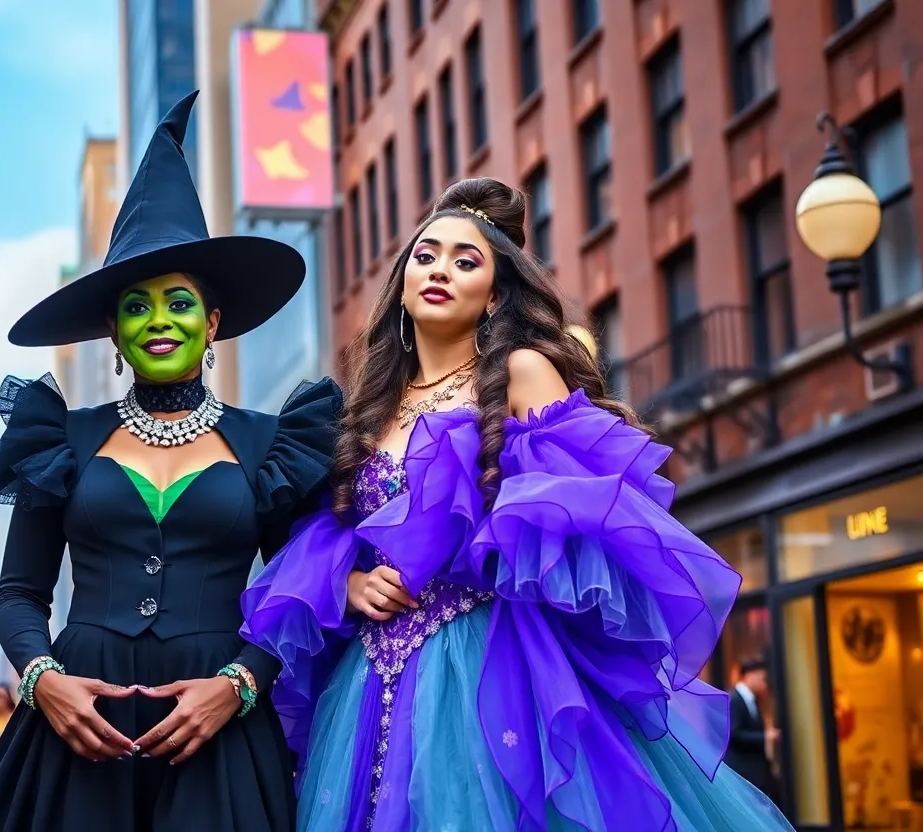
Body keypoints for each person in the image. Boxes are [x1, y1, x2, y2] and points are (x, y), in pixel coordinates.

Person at [241, 177, 797, 830]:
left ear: (495, 294)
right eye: (426, 255)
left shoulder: (522, 373)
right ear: (402, 281)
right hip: (367, 686)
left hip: (489, 668)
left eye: (465, 260)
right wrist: (352, 581)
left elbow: (585, 517)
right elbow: (328, 538)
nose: (440, 270)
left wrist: (487, 551)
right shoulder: (365, 405)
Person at [0, 89, 339, 831]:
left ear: (213, 323)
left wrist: (239, 686)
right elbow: (19, 593)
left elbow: (297, 593)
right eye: (136, 306)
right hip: (76, 734)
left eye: (180, 302)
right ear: (113, 331)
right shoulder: (58, 435)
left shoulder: (273, 442)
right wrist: (43, 682)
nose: (159, 320)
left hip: (218, 734)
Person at [724, 658, 779, 801]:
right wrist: (765, 736)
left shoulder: (754, 701)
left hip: (756, 772)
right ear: (750, 675)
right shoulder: (734, 699)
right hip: (743, 771)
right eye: (763, 678)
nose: (764, 683)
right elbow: (734, 734)